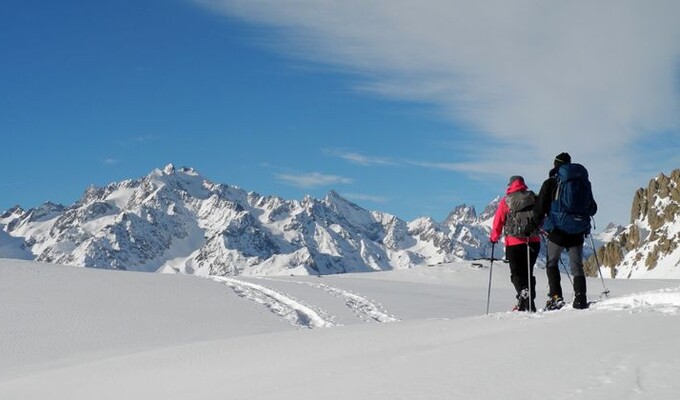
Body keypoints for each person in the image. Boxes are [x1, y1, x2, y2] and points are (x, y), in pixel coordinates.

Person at [525, 152, 597, 310]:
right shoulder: (583, 182)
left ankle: (556, 297)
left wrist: (530, 228)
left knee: (552, 262)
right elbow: (593, 208)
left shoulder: (551, 182)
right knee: (576, 265)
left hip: (557, 230)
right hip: (578, 229)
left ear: (555, 165)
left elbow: (540, 209)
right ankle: (580, 298)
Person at [490, 175, 541, 312]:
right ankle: (530, 303)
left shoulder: (506, 201)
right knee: (528, 272)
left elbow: (499, 221)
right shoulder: (533, 197)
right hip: (533, 241)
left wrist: (494, 237)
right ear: (523, 184)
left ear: (510, 185)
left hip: (514, 242)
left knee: (516, 273)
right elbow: (541, 214)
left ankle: (523, 293)